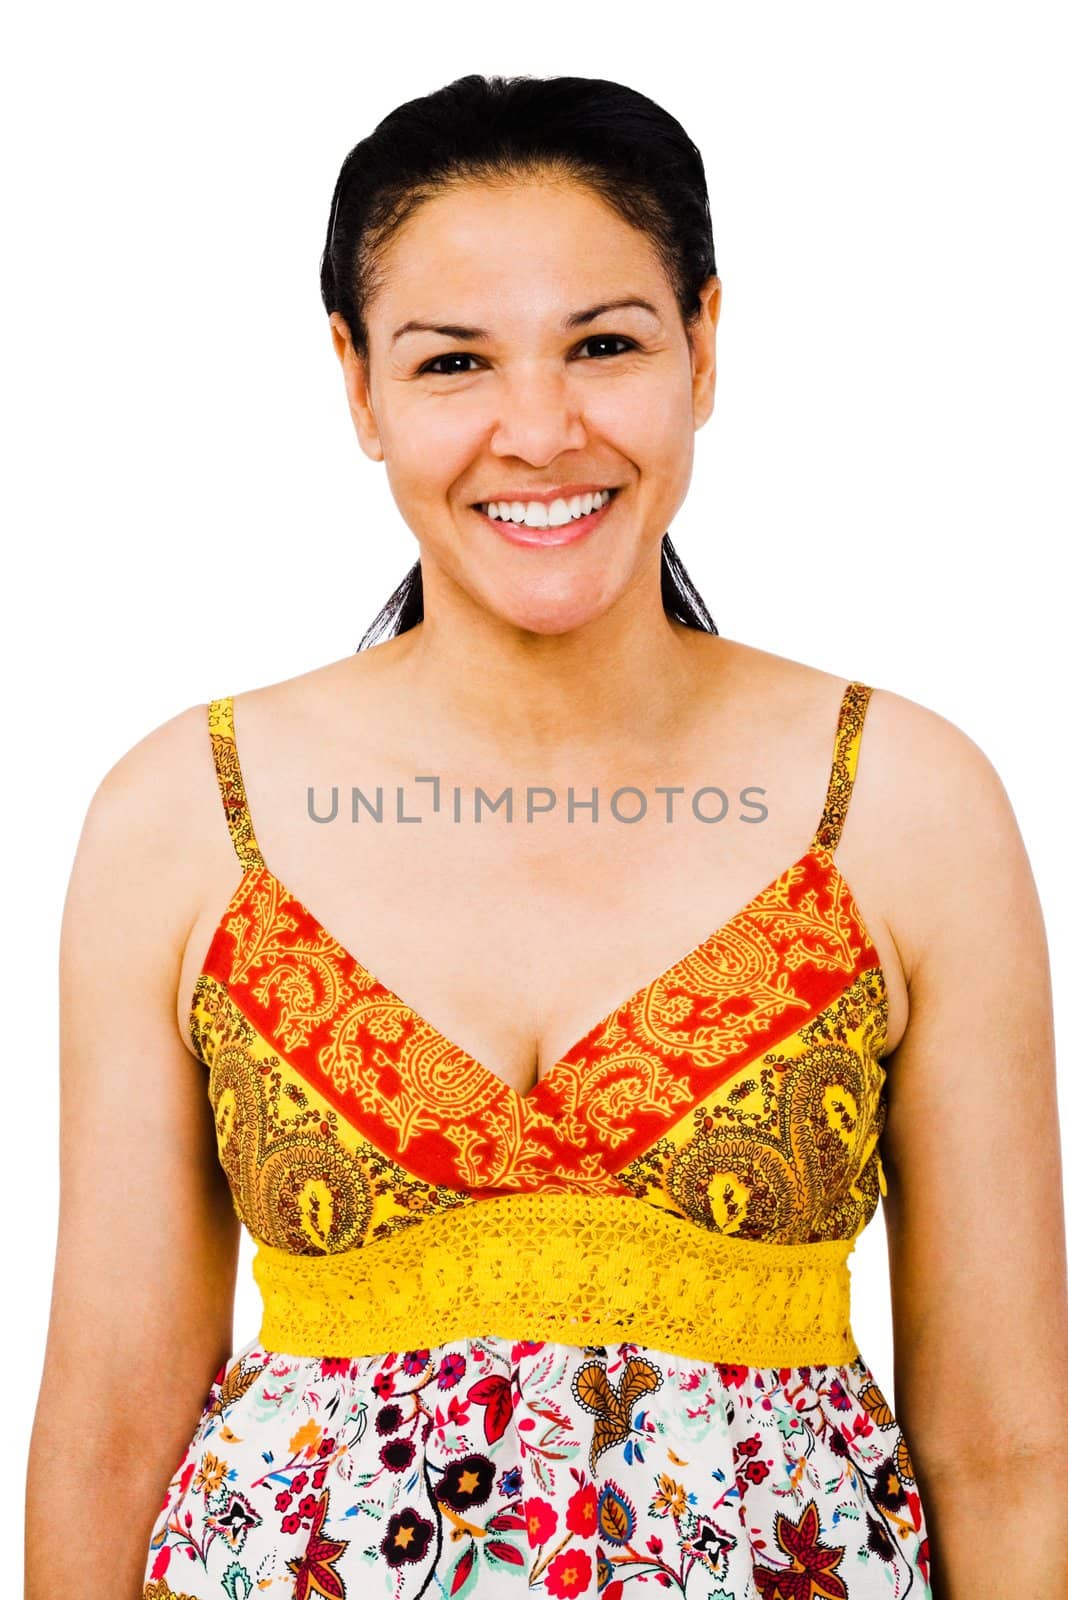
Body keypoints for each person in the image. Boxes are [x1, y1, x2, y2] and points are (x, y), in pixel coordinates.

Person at [25, 72, 1068, 1600]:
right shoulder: (182, 819)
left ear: (704, 347)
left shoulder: (908, 806)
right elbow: (108, 1438)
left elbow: (1007, 1451)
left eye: (604, 344)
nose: (539, 428)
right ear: (357, 383)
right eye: (453, 361)